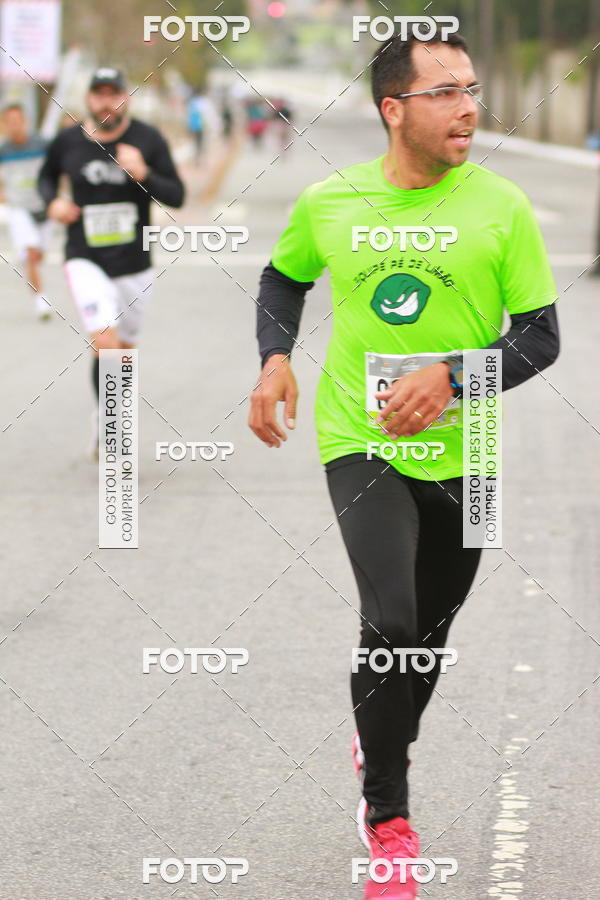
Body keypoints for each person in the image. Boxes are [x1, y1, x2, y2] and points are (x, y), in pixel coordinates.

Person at [249, 30, 560, 899]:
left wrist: (454, 375)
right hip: (363, 438)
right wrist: (276, 359)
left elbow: (541, 339)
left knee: (428, 636)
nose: (469, 107)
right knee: (391, 620)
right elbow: (282, 280)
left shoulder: (502, 207)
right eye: (446, 92)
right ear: (394, 109)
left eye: (472, 88)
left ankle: (378, 732)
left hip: (473, 451)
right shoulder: (331, 201)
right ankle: (387, 814)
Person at [38, 67, 185, 457]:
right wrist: (53, 202)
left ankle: (103, 415)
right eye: (99, 94)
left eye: (113, 94)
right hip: (84, 256)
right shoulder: (67, 142)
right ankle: (115, 428)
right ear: (88, 99)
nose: (106, 102)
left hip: (135, 263)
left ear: (126, 98)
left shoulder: (147, 140)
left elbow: (178, 195)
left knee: (122, 349)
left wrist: (144, 173)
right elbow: (46, 179)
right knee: (107, 343)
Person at [0, 104, 53, 319]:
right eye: (9, 123)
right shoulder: (3, 151)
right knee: (31, 255)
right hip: (19, 209)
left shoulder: (42, 144)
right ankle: (41, 303)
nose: (14, 126)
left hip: (44, 207)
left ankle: (30, 257)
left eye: (18, 121)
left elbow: (58, 169)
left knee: (39, 254)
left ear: (25, 122)